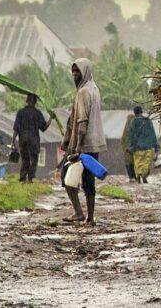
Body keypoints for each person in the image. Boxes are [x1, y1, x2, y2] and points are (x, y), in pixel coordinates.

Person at [60, 58, 106, 225]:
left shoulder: (83, 92)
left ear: (85, 71)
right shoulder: (94, 89)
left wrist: (78, 147)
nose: (74, 75)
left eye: (77, 71)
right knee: (88, 180)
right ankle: (90, 217)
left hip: (83, 144)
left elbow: (81, 123)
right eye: (73, 71)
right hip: (94, 143)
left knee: (67, 178)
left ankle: (79, 213)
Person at [11, 93, 50, 183]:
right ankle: (30, 178)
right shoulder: (37, 113)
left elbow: (16, 129)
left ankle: (22, 178)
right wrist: (51, 118)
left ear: (27, 101)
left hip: (23, 140)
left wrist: (13, 141)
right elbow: (44, 127)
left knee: (25, 159)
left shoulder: (20, 112)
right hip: (34, 141)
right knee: (34, 159)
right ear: (35, 102)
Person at [128, 106, 159, 184]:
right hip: (148, 147)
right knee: (146, 163)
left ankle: (138, 175)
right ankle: (144, 175)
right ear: (141, 112)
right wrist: (156, 146)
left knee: (137, 162)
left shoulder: (133, 122)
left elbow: (131, 135)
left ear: (134, 113)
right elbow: (152, 134)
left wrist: (131, 146)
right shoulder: (147, 121)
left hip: (137, 147)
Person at [121, 113, 137, 182]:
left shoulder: (127, 128)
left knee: (129, 163)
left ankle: (131, 177)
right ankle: (133, 176)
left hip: (129, 149)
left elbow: (123, 139)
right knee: (132, 162)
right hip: (130, 149)